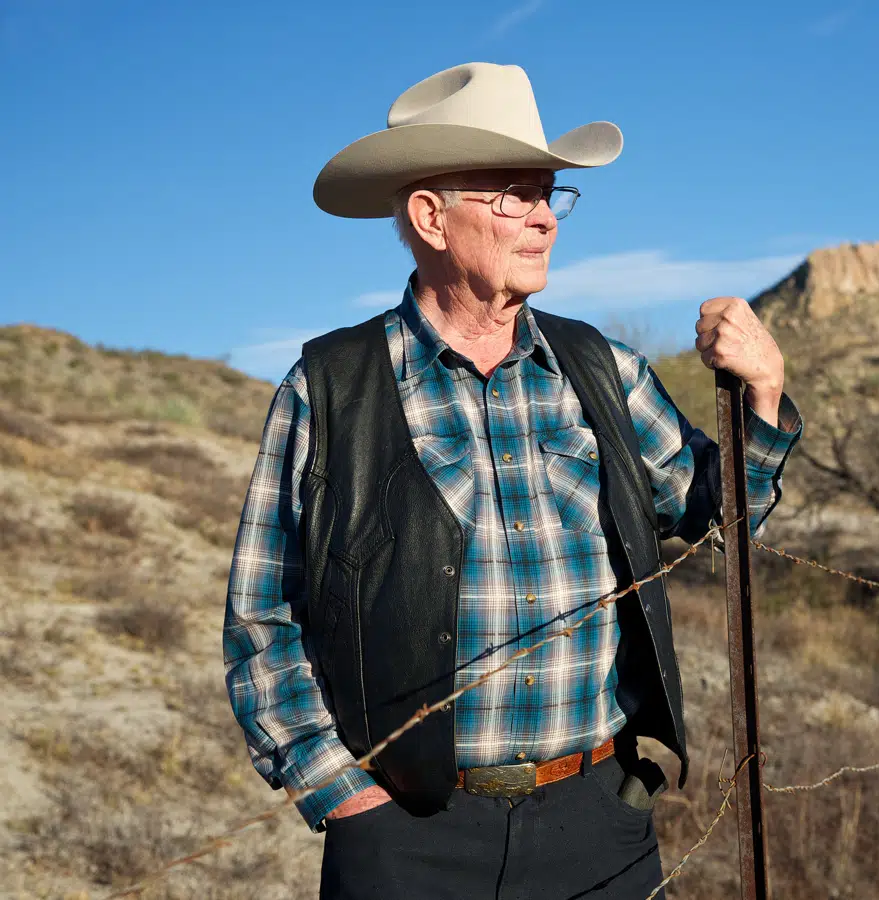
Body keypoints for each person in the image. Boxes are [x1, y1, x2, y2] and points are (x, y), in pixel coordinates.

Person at [222, 62, 801, 899]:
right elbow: (260, 612)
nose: (542, 218)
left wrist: (763, 394)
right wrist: (342, 796)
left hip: (599, 817)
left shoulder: (601, 368)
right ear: (430, 216)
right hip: (409, 836)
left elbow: (724, 519)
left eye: (549, 195)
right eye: (512, 195)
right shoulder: (330, 387)